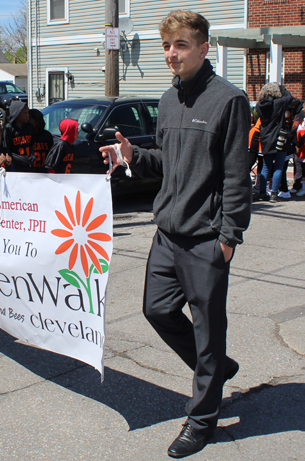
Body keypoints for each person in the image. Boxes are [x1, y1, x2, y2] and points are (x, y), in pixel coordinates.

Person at [100, 10, 251, 458]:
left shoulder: (229, 100)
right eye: (167, 46)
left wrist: (228, 236)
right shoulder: (169, 100)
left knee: (208, 334)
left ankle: (203, 418)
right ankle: (218, 369)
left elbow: (236, 176)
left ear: (204, 49)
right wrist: (133, 155)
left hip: (206, 238)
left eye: (181, 45)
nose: (171, 54)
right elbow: (166, 164)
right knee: (156, 310)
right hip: (167, 233)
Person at [256, 83, 298, 203]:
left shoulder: (259, 105)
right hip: (279, 138)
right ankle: (274, 194)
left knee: (265, 167)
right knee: (278, 167)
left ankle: (262, 193)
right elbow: (289, 97)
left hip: (265, 138)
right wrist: (282, 88)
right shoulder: (277, 103)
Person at [1, 101, 35, 172]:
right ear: (17, 113)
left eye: (28, 112)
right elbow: (6, 149)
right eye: (25, 113)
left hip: (28, 166)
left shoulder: (29, 127)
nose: (28, 115)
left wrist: (32, 156)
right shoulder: (8, 129)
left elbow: (32, 144)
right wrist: (21, 159)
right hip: (15, 166)